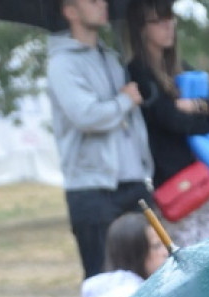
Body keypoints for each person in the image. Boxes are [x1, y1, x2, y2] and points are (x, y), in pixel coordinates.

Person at [47, 0, 154, 279]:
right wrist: (124, 101)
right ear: (70, 11)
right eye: (92, 0)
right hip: (93, 189)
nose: (102, 4)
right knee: (104, 281)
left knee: (151, 276)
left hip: (133, 182)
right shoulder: (62, 64)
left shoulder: (111, 59)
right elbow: (85, 116)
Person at [127, 0, 209, 246]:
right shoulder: (138, 72)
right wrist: (207, 118)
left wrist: (197, 106)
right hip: (173, 182)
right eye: (157, 21)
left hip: (204, 175)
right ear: (142, 28)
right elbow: (172, 120)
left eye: (170, 18)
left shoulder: (180, 68)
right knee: (185, 254)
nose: (168, 26)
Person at [79, 211, 168, 297]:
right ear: (136, 253)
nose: (165, 252)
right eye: (156, 246)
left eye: (164, 244)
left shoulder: (118, 293)